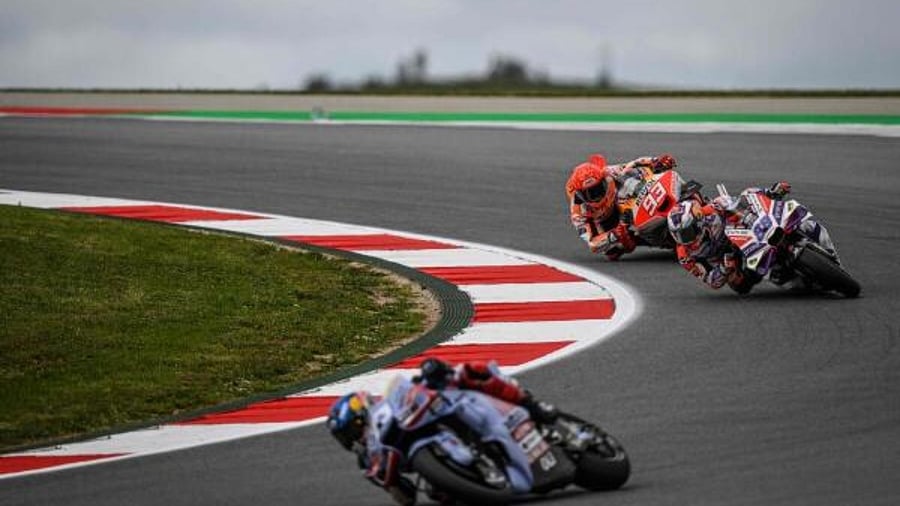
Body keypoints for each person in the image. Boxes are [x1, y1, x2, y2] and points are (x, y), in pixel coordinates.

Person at [325, 358, 558, 506]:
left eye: (353, 429)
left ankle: (532, 405)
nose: (355, 437)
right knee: (438, 495)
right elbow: (405, 498)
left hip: (431, 414)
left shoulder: (386, 406)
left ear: (363, 411)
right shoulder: (369, 460)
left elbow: (412, 389)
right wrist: (392, 484)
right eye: (348, 437)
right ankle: (480, 477)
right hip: (435, 466)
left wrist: (430, 378)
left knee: (464, 373)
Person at [666, 180, 836, 293]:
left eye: (686, 232)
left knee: (807, 225)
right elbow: (711, 281)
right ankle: (791, 280)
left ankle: (831, 255)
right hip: (732, 259)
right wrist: (724, 269)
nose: (684, 239)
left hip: (745, 232)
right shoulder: (685, 255)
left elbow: (745, 198)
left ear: (698, 219)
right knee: (740, 283)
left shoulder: (711, 209)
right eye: (678, 234)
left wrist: (770, 192)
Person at [565, 153, 677, 260]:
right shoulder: (578, 212)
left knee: (631, 179)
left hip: (622, 202)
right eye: (591, 194)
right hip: (609, 224)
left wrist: (655, 161)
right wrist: (614, 235)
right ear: (581, 195)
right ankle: (660, 239)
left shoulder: (609, 172)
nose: (597, 194)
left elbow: (633, 164)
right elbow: (592, 244)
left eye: (600, 188)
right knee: (612, 251)